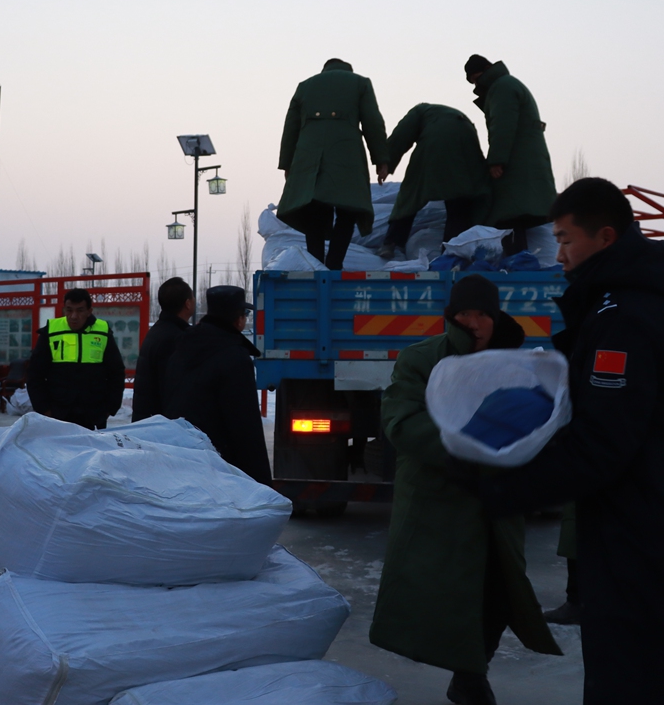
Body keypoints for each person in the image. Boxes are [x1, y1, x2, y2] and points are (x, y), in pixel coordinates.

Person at [472, 178, 664, 704]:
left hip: (659, 529)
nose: (558, 254)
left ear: (605, 237)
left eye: (566, 239)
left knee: (656, 670)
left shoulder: (626, 315)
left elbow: (604, 444)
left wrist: (498, 493)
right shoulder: (638, 301)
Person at [370, 274, 560, 705]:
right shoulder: (421, 359)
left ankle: (474, 669)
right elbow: (402, 420)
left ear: (496, 317)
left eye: (481, 313)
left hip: (499, 497)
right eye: (463, 313)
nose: (472, 321)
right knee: (451, 592)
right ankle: (470, 676)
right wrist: (459, 452)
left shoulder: (517, 362)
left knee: (499, 590)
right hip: (441, 497)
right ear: (450, 316)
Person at [277, 58, 390, 270]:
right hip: (346, 154)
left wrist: (287, 164)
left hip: (309, 156)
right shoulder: (360, 83)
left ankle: (316, 264)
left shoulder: (305, 86)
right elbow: (372, 122)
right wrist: (381, 159)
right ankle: (335, 262)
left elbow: (290, 127)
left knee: (316, 212)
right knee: (348, 209)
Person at [162, 286, 271, 485]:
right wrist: (261, 482)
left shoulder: (182, 346)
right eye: (245, 314)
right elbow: (245, 426)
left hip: (179, 457)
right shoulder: (234, 357)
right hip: (220, 467)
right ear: (238, 319)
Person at [464, 55, 557, 255]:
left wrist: (496, 161)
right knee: (517, 216)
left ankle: (516, 258)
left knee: (509, 215)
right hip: (524, 162)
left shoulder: (501, 87)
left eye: (476, 78)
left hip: (516, 163)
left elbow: (502, 125)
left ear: (487, 70)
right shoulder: (508, 84)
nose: (476, 84)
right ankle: (520, 257)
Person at [376, 104, 491, 260]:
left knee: (411, 195)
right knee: (458, 203)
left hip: (434, 145)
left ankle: (390, 243)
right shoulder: (458, 118)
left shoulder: (419, 111)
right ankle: (451, 252)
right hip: (466, 144)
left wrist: (385, 163)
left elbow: (400, 136)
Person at [27, 288, 126, 430]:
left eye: (80, 310)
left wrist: (110, 408)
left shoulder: (102, 331)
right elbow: (35, 374)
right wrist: (44, 409)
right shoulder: (51, 331)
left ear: (89, 311)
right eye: (69, 310)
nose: (74, 316)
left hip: (93, 414)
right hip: (58, 413)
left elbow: (116, 372)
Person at [132, 277, 194, 422]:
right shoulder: (175, 338)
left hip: (149, 422)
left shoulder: (160, 331)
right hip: (161, 428)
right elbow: (175, 392)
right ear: (187, 303)